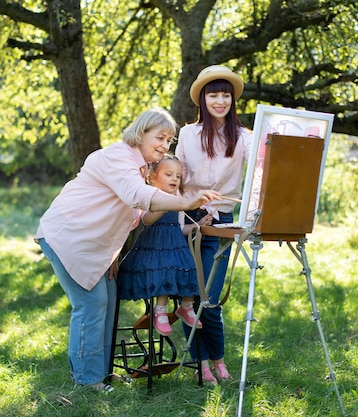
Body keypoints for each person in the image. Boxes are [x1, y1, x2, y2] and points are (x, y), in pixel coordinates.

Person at [35, 108, 220, 392]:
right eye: (159, 137)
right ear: (140, 133)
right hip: (68, 238)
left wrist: (112, 254)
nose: (164, 144)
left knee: (106, 303)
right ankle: (87, 381)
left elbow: (128, 219)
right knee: (90, 306)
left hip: (94, 247)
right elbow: (138, 198)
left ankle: (102, 373)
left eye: (169, 140)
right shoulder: (117, 157)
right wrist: (186, 203)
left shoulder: (139, 168)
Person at [175, 65, 253, 384]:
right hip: (190, 219)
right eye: (213, 95)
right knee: (190, 298)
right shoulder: (187, 134)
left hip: (222, 220)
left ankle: (218, 360)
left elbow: (263, 163)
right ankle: (200, 364)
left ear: (232, 99)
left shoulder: (244, 137)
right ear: (202, 100)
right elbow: (177, 177)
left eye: (225, 95)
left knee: (211, 298)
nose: (219, 101)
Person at [117, 154, 214, 336]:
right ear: (154, 177)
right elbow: (146, 219)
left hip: (176, 244)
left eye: (178, 176)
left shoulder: (179, 197)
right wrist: (166, 204)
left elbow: (180, 227)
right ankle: (159, 311)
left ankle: (186, 307)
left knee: (190, 267)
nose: (174, 179)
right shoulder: (150, 195)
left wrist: (197, 226)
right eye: (169, 174)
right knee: (165, 270)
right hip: (154, 244)